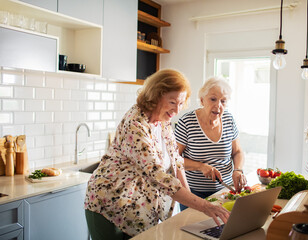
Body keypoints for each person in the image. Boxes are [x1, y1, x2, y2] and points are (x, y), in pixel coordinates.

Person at [84, 69, 230, 240]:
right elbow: (159, 176)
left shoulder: (163, 121)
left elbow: (176, 162)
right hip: (109, 204)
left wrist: (191, 208)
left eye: (181, 103)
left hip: (138, 209)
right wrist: (204, 206)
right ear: (155, 96)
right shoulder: (136, 124)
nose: (177, 110)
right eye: (172, 102)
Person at [175, 76, 247, 211]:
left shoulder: (229, 120)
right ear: (202, 100)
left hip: (224, 192)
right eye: (213, 99)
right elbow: (173, 159)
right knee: (192, 230)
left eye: (223, 101)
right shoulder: (187, 122)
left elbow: (237, 151)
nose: (218, 105)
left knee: (222, 230)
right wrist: (200, 166)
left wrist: (238, 170)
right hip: (193, 194)